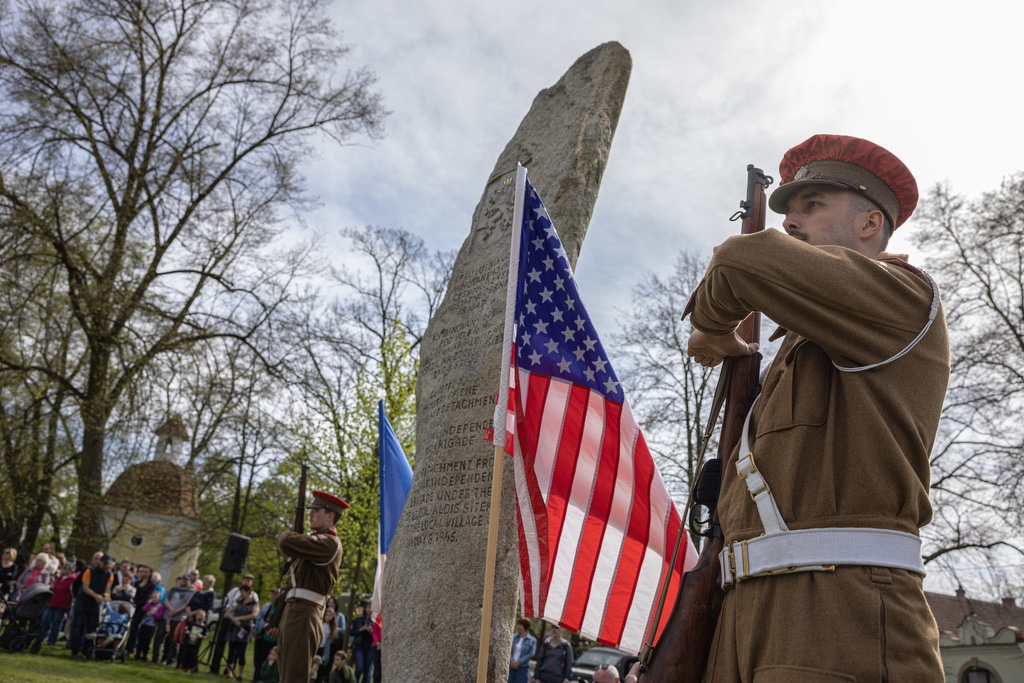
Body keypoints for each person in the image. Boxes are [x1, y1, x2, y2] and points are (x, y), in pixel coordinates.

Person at [680, 134, 949, 681]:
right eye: (788, 210)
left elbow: (739, 260)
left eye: (812, 205)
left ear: (870, 223)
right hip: (740, 615)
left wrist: (712, 330)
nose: (791, 223)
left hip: (837, 608)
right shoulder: (796, 347)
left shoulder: (902, 298)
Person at [269, 490, 347, 683]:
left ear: (330, 516)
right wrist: (276, 618)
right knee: (286, 674)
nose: (311, 514)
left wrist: (284, 535)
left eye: (316, 510)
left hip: (305, 613)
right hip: (294, 611)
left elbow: (287, 541)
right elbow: (291, 586)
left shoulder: (329, 543)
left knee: (295, 676)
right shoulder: (314, 543)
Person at [211, 573, 260, 675]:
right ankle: (215, 667)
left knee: (239, 650)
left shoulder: (254, 596)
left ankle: (229, 671)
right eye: (245, 579)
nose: (247, 581)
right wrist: (233, 617)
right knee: (222, 644)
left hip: (243, 625)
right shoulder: (234, 592)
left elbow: (254, 612)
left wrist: (240, 619)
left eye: (249, 580)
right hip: (230, 621)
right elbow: (227, 604)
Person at [68, 552, 115, 658]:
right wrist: (95, 595)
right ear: (101, 563)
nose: (106, 567)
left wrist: (107, 596)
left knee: (92, 628)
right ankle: (74, 650)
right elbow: (85, 587)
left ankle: (86, 651)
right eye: (105, 564)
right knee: (78, 625)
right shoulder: (89, 571)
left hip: (94, 604)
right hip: (83, 601)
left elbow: (107, 589)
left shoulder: (110, 575)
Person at [155, 574, 196, 665]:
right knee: (159, 636)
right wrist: (170, 608)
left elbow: (187, 604)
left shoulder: (191, 592)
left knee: (173, 639)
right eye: (183, 579)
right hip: (167, 615)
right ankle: (155, 657)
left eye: (186, 580)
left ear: (191, 581)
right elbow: (166, 599)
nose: (184, 581)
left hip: (178, 618)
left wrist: (176, 611)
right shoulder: (174, 589)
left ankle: (170, 659)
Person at [224, 583, 259, 680]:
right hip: (234, 628)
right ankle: (229, 673)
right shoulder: (238, 601)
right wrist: (234, 619)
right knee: (231, 651)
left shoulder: (254, 603)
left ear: (248, 592)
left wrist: (240, 618)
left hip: (244, 629)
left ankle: (240, 674)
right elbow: (228, 612)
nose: (241, 594)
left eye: (242, 592)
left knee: (241, 652)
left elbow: (254, 615)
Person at [40, 561, 77, 645]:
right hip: (52, 602)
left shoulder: (73, 580)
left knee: (56, 623)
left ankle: (51, 641)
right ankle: (40, 638)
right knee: (45, 620)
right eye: (64, 568)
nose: (65, 570)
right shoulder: (59, 578)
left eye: (67, 569)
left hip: (62, 605)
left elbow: (72, 593)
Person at [125, 563, 157, 657]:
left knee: (135, 628)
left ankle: (132, 648)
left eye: (146, 571)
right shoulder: (137, 583)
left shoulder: (151, 585)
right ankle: (127, 646)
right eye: (142, 571)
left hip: (141, 608)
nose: (143, 573)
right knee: (130, 627)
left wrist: (136, 603)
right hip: (133, 606)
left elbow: (147, 598)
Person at [252, 587, 280, 682]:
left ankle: (266, 679)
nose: (273, 596)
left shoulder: (280, 609)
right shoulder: (266, 606)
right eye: (272, 594)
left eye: (276, 594)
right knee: (258, 658)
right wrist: (255, 629)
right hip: (261, 636)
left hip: (272, 639)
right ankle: (256, 677)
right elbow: (259, 618)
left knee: (268, 660)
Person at [135, 590, 165, 660]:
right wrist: (149, 603)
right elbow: (144, 609)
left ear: (159, 598)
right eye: (152, 597)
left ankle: (144, 655)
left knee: (147, 641)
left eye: (155, 597)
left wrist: (154, 614)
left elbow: (160, 616)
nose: (154, 599)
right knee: (140, 639)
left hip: (151, 626)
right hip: (144, 624)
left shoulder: (159, 607)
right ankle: (138, 654)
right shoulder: (149, 604)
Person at [348, 600, 374, 683]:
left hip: (371, 647)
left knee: (367, 672)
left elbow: (379, 636)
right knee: (359, 668)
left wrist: (371, 631)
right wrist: (361, 629)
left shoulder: (376, 621)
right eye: (368, 607)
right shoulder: (359, 619)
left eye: (371, 607)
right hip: (359, 646)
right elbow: (351, 632)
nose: (369, 609)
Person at [178, 608, 208, 673]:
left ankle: (191, 667)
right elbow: (185, 630)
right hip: (188, 642)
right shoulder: (192, 625)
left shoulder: (204, 628)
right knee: (186, 654)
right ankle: (184, 666)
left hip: (196, 644)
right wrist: (187, 632)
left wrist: (201, 636)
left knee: (193, 656)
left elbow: (205, 636)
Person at [508, 618, 537, 683]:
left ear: (525, 626)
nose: (518, 627)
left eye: (520, 625)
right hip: (510, 667)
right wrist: (512, 661)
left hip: (523, 668)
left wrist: (518, 662)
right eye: (518, 624)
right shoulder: (513, 637)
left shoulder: (532, 640)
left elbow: (531, 654)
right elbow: (508, 650)